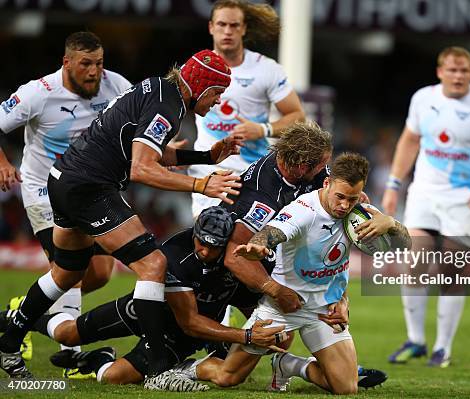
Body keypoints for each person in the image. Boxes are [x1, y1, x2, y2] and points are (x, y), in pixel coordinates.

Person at [0, 49, 243, 388]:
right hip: (90, 188)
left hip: (64, 179)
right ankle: (159, 371)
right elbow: (142, 168)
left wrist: (205, 156)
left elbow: (148, 152)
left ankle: (9, 342)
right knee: (153, 265)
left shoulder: (158, 88)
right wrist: (202, 182)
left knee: (67, 273)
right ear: (201, 85)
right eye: (216, 92)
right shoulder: (167, 105)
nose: (217, 101)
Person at [185, 152, 410, 394]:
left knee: (346, 388)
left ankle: (288, 365)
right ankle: (187, 369)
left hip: (325, 310)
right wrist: (260, 244)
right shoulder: (304, 209)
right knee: (227, 377)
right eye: (340, 197)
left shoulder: (360, 213)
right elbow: (274, 231)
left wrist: (391, 224)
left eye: (352, 199)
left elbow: (405, 246)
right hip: (283, 305)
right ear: (327, 184)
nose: (345, 205)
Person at [0, 206, 286, 391]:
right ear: (194, 232)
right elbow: (189, 321)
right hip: (150, 313)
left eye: (215, 248)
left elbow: (246, 300)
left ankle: (97, 359)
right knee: (69, 333)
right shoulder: (175, 255)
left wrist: (264, 329)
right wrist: (245, 337)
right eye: (202, 244)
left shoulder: (239, 259)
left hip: (184, 337)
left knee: (113, 377)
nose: (207, 253)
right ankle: (21, 317)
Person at [0, 32, 132, 373]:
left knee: (101, 273)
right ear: (67, 63)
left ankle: (24, 309)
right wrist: (2, 162)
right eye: (86, 64)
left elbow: (140, 120)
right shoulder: (37, 94)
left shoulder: (115, 84)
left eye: (99, 64)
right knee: (68, 271)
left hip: (89, 190)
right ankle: (72, 356)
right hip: (43, 190)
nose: (94, 72)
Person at [382, 46, 470, 367]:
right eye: (452, 71)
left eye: (464, 71)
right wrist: (393, 184)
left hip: (465, 198)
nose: (458, 76)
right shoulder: (422, 99)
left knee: (452, 270)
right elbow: (409, 140)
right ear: (440, 72)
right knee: (414, 260)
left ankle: (443, 347)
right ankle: (415, 340)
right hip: (425, 191)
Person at [188, 0, 306, 217]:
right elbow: (177, 107)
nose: (227, 31)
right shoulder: (196, 67)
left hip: (254, 173)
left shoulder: (266, 69)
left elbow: (298, 117)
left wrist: (263, 130)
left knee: (248, 246)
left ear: (243, 28)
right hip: (210, 172)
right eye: (222, 24)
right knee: (209, 242)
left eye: (234, 25)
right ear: (211, 27)